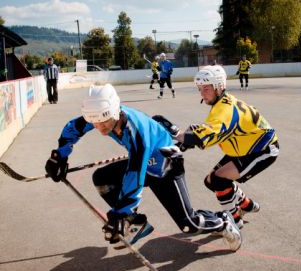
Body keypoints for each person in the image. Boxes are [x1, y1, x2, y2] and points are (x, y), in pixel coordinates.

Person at [44, 84, 241, 251]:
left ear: (115, 110)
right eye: (93, 121)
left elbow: (135, 173)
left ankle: (222, 220)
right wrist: (58, 157)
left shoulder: (135, 130)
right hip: (144, 164)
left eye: (103, 120)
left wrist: (120, 213)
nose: (99, 126)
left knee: (189, 225)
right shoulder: (101, 116)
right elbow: (74, 127)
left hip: (166, 167)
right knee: (102, 179)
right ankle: (136, 222)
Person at [175, 65, 279, 228]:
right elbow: (203, 129)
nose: (202, 93)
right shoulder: (221, 102)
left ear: (219, 87)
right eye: (200, 89)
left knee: (218, 180)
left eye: (206, 88)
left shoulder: (224, 110)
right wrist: (180, 144)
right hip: (242, 147)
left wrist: (174, 133)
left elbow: (205, 135)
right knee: (211, 182)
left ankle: (235, 223)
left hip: (262, 149)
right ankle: (247, 205)